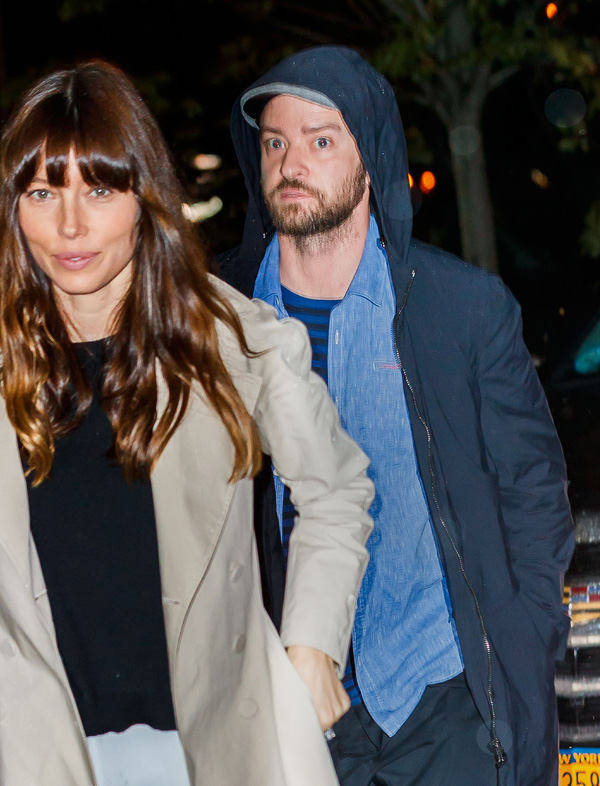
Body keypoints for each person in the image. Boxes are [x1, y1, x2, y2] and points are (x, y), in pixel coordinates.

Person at [0, 60, 375, 786]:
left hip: (217, 742)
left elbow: (335, 490)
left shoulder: (234, 340)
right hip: (25, 748)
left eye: (100, 189)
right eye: (43, 192)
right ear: (13, 205)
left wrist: (312, 647)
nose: (70, 225)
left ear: (144, 196)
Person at [220, 46, 574, 786]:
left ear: (372, 157)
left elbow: (533, 493)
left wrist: (522, 636)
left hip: (443, 698)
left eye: (321, 141)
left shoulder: (460, 310)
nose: (292, 162)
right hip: (285, 707)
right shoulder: (213, 317)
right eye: (275, 142)